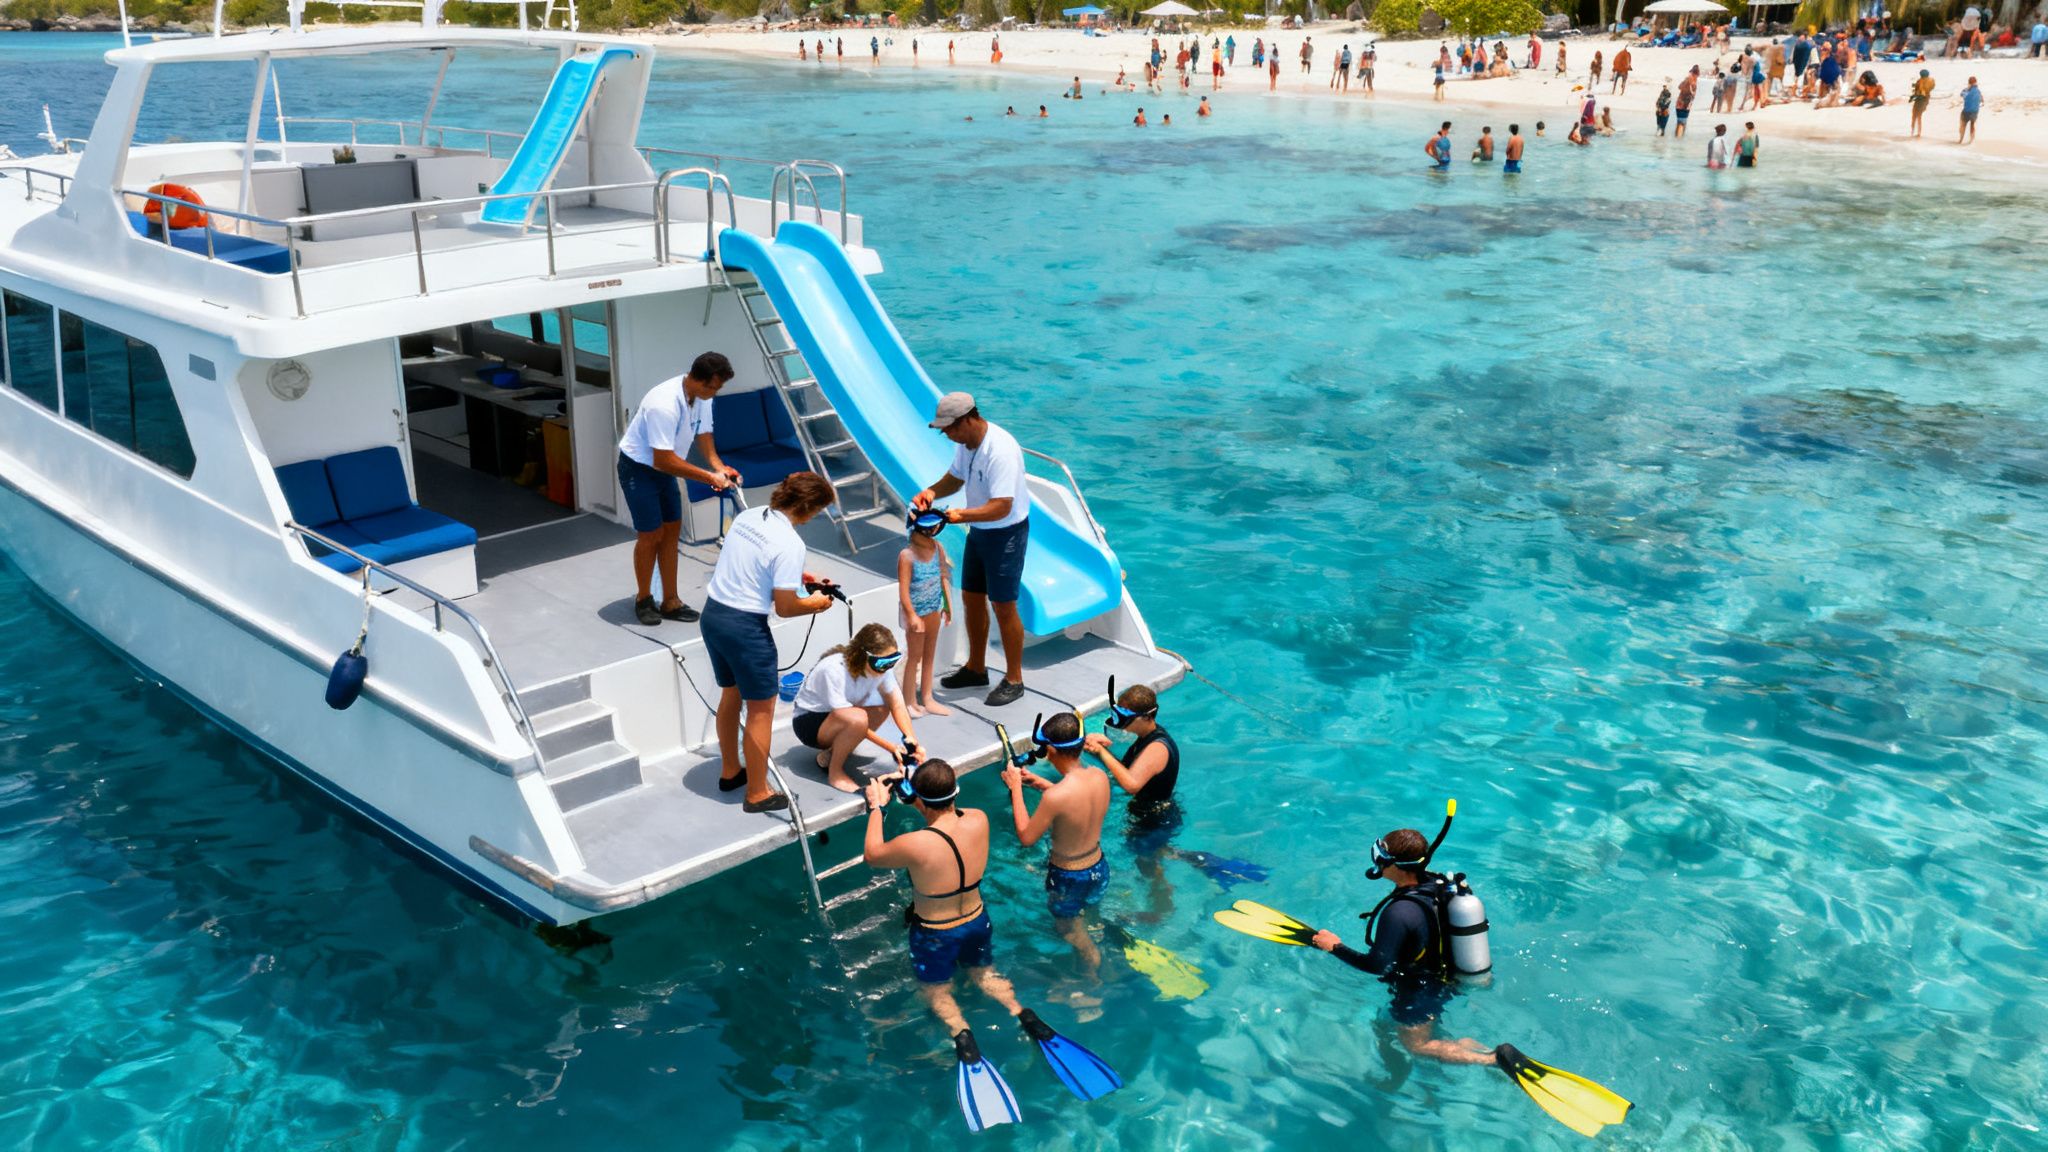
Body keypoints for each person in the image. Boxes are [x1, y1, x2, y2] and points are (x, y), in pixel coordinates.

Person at [861, 760, 1121, 1127]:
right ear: (956, 794)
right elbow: (946, 816)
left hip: (936, 931)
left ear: (918, 799)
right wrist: (920, 796)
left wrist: (876, 806)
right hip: (977, 921)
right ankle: (1021, 1013)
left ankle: (962, 1036)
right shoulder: (979, 819)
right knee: (984, 973)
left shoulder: (916, 843)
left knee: (936, 991)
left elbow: (873, 855)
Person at [704, 472, 840, 814]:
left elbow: (752, 565)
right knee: (761, 711)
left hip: (714, 615)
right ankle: (758, 793)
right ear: (807, 507)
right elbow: (786, 606)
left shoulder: (750, 516)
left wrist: (796, 580)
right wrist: (817, 604)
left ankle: (730, 771)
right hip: (745, 629)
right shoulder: (791, 543)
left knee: (731, 694)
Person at [912, 393, 1032, 707]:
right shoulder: (966, 444)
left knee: (1004, 606)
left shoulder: (1000, 450)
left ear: (967, 420)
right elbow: (955, 479)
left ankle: (1014, 679)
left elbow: (1001, 507)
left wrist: (960, 515)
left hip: (1005, 535)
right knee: (972, 598)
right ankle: (976, 669)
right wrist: (932, 491)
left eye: (949, 428)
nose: (946, 434)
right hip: (980, 532)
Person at [616, 352, 739, 628]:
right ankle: (644, 599)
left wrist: (719, 467)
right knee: (651, 534)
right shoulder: (663, 404)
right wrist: (709, 477)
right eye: (716, 387)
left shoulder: (703, 397)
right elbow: (662, 459)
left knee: (671, 532)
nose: (717, 393)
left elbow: (703, 435)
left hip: (665, 470)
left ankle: (670, 600)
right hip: (639, 469)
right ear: (702, 381)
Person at [1002, 712, 1112, 980]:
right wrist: (1041, 784)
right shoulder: (1099, 775)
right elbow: (1075, 804)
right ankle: (1097, 948)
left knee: (1069, 930)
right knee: (1088, 917)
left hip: (1069, 877)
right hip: (1099, 867)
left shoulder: (1055, 796)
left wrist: (1016, 787)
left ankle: (1092, 978)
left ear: (1050, 750)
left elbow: (1026, 838)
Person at [792, 622, 921, 793]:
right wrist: (892, 747)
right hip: (809, 722)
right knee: (858, 719)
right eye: (882, 663)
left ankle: (833, 752)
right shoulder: (833, 670)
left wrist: (911, 741)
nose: (886, 668)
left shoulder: (882, 669)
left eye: (892, 661)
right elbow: (852, 720)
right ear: (862, 656)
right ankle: (835, 773)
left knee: (882, 708)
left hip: (842, 716)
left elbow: (897, 703)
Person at [897, 512, 954, 717]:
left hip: (933, 609)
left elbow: (943, 576)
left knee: (929, 656)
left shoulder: (937, 548)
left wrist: (947, 605)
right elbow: (903, 590)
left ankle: (928, 697)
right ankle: (909, 700)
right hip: (916, 613)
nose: (932, 532)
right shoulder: (907, 555)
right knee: (914, 657)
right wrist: (911, 615)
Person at [1909, 69, 1935, 137]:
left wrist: (1911, 98)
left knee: (1914, 116)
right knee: (1919, 117)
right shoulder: (1932, 81)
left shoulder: (1919, 81)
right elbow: (1930, 88)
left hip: (1919, 100)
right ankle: (1919, 133)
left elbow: (1917, 92)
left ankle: (1912, 132)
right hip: (1926, 100)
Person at [1958, 76, 1981, 143]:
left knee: (1963, 124)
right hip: (1975, 111)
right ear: (1976, 82)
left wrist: (1967, 88)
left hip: (1966, 111)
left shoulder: (1966, 90)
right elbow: (1981, 99)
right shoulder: (1978, 91)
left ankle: (1961, 139)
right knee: (1972, 125)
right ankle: (1971, 140)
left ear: (1969, 83)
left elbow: (1962, 95)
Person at [1675, 67, 1697, 138]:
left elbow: (1679, 87)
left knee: (1679, 122)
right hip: (1685, 105)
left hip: (1679, 104)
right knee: (1683, 123)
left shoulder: (1687, 81)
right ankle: (1680, 140)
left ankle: (1676, 138)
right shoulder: (1693, 84)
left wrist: (1685, 81)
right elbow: (1693, 95)